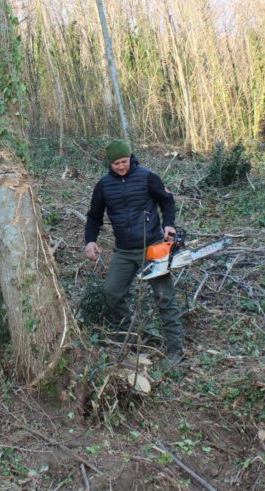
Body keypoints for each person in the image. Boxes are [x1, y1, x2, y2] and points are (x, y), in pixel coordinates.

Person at [84, 140, 184, 365]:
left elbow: (167, 201)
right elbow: (94, 216)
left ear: (130, 158)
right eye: (116, 163)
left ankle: (175, 349)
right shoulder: (103, 185)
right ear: (109, 164)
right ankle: (130, 338)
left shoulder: (148, 177)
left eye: (124, 161)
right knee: (111, 292)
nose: (121, 166)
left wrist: (169, 225)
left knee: (163, 297)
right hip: (124, 250)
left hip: (153, 246)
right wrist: (90, 241)